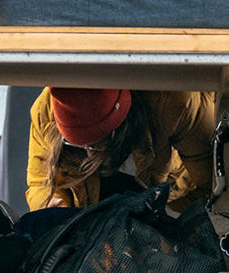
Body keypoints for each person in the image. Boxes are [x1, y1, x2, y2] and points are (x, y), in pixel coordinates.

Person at [25, 87, 215, 211]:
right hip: (95, 205)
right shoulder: (45, 113)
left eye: (96, 144)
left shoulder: (175, 103)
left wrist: (169, 219)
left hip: (167, 196)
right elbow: (40, 183)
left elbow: (212, 184)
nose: (89, 153)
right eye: (76, 145)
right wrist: (56, 207)